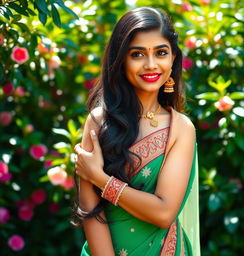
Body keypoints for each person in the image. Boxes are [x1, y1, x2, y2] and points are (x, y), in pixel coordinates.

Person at [73, 6, 200, 256]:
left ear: (173, 58)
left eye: (161, 53)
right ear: (121, 60)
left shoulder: (180, 129)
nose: (151, 65)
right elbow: (90, 209)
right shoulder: (99, 122)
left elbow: (163, 213)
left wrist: (100, 178)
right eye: (138, 54)